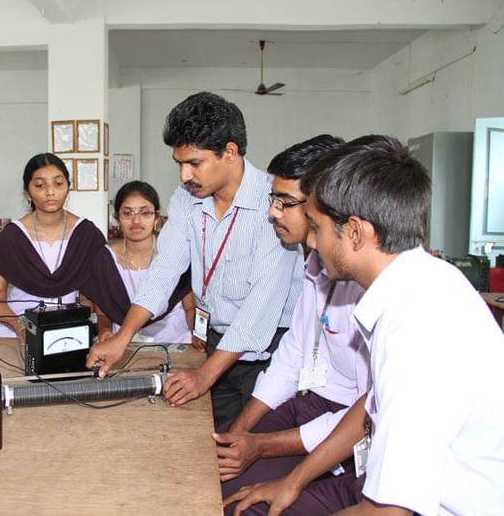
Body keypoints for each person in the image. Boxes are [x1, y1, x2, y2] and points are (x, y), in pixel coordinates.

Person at [225, 135, 504, 516]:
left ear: (355, 232)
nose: (313, 243)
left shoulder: (418, 330)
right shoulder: (421, 282)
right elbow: (369, 406)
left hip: (438, 506)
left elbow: (387, 511)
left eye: (317, 228)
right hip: (393, 486)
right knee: (249, 500)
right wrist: (293, 481)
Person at [86, 92, 301, 426]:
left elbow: (260, 309)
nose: (184, 175)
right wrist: (122, 338)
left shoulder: (272, 203)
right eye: (179, 164)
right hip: (215, 342)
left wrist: (204, 376)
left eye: (194, 163)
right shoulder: (187, 199)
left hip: (269, 350)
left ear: (230, 152)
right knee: (210, 437)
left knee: (254, 442)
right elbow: (164, 272)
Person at [217, 135, 371, 515]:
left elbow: (366, 412)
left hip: (345, 426)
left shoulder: (365, 283)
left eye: (286, 203)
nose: (274, 213)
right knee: (214, 470)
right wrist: (241, 429)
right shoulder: (314, 264)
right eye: (273, 200)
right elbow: (292, 355)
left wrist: (262, 446)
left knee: (241, 502)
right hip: (309, 400)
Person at [0, 153, 105, 340]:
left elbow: (94, 296)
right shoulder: (13, 237)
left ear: (68, 187)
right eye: (40, 185)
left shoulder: (86, 234)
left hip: (70, 325)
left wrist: (81, 320)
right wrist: (21, 328)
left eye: (58, 183)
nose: (50, 192)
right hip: (18, 324)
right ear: (27, 193)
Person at [88, 181, 195, 345]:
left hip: (175, 342)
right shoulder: (104, 258)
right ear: (117, 219)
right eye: (127, 213)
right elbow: (103, 314)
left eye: (145, 213)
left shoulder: (175, 253)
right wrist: (104, 331)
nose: (136, 220)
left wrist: (198, 335)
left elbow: (190, 308)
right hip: (122, 344)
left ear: (156, 217)